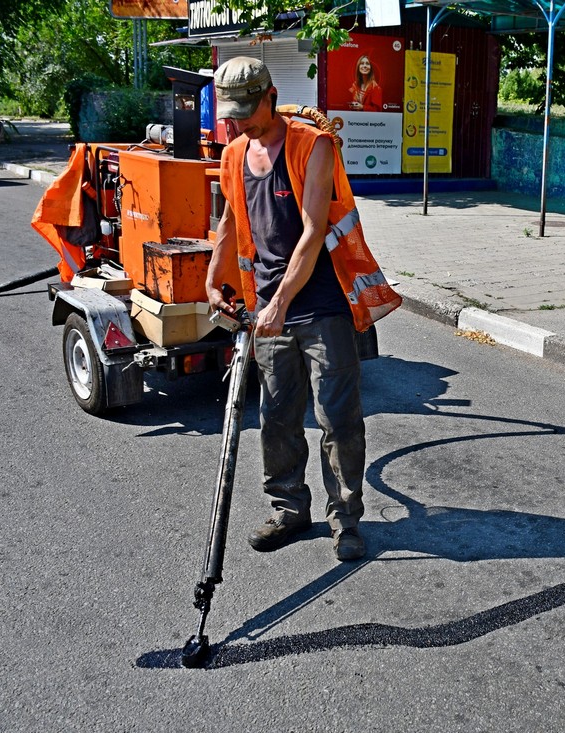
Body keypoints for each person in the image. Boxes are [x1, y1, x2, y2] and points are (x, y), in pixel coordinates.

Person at [206, 57, 368, 562]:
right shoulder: (234, 153)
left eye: (246, 111)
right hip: (268, 307)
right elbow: (231, 219)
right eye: (231, 114)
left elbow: (314, 232)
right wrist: (213, 278)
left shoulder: (311, 146)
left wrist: (280, 303)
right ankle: (290, 510)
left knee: (337, 418)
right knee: (275, 417)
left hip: (320, 304)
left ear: (270, 96)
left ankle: (345, 519)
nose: (238, 123)